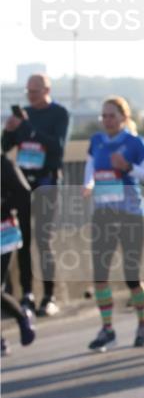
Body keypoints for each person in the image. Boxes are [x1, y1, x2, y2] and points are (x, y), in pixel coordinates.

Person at [83, 96, 144, 351]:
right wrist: (87, 187)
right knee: (100, 276)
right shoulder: (96, 141)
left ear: (123, 118)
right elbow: (90, 170)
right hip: (104, 214)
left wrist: (128, 167)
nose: (106, 120)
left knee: (132, 276)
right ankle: (107, 330)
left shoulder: (135, 143)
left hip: (131, 214)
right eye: (103, 116)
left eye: (111, 116)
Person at [0, 74, 70, 317]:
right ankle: (27, 294)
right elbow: (6, 147)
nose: (31, 95)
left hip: (46, 181)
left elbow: (56, 146)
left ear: (47, 90)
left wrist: (27, 129)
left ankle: (49, 296)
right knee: (23, 240)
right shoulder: (22, 116)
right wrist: (9, 131)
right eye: (28, 91)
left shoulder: (59, 114)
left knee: (44, 240)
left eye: (35, 91)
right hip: (22, 183)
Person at [1, 154, 36, 355]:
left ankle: (22, 316)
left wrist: (4, 203)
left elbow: (24, 193)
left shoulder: (4, 164)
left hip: (4, 231)